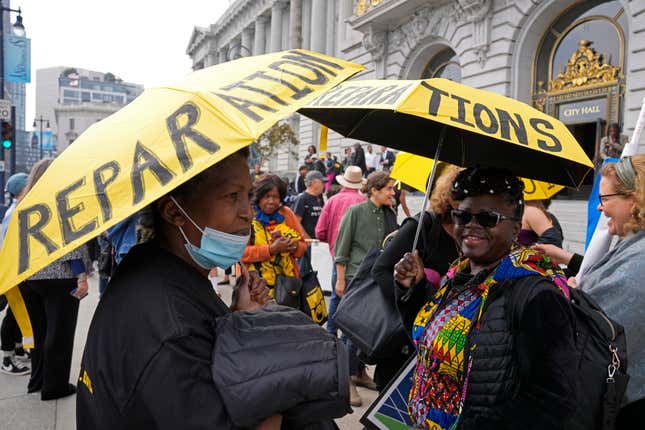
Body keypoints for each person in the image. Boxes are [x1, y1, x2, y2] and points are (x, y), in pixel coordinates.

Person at [77, 148, 293, 429]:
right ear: (174, 212)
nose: (247, 214)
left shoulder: (150, 264)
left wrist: (237, 316)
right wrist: (262, 352)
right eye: (232, 196)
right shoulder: (170, 329)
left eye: (248, 196)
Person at [394, 167, 577, 429]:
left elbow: (552, 402)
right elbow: (429, 343)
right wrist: (411, 289)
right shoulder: (460, 274)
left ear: (516, 227)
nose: (472, 226)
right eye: (463, 216)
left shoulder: (537, 296)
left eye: (488, 218)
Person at [534, 155, 645, 426]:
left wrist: (573, 294)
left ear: (633, 199)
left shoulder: (640, 258)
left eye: (605, 199)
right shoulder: (633, 241)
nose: (599, 207)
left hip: (628, 404)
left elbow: (598, 322)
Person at [371, 166, 462, 391]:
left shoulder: (473, 233)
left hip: (444, 350)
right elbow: (381, 270)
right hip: (403, 344)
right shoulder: (423, 226)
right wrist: (407, 299)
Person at [19, 159, 92, 400]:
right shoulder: (60, 201)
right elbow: (70, 243)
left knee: (39, 332)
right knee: (59, 332)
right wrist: (81, 275)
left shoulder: (24, 204)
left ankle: (37, 380)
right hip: (60, 275)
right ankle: (55, 386)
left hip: (30, 277)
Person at [334, 171, 398, 406]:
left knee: (369, 330)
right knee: (353, 331)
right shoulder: (355, 212)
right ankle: (347, 380)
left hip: (378, 279)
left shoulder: (389, 213)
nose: (393, 192)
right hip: (354, 277)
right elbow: (342, 248)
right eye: (389, 188)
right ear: (374, 190)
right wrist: (340, 280)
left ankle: (359, 374)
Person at [315, 166, 366, 338]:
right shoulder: (363, 203)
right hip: (358, 259)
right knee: (353, 298)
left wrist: (331, 241)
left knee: (336, 296)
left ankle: (330, 333)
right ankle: (347, 336)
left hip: (336, 255)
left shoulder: (332, 200)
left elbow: (320, 232)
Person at [242, 174, 307, 293]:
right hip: (255, 288)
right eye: (267, 196)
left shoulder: (286, 214)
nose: (271, 201)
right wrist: (270, 249)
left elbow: (302, 248)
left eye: (275, 197)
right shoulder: (248, 216)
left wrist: (293, 245)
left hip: (286, 287)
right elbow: (241, 253)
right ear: (258, 197)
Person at [0, 172, 31, 376]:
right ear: (22, 189)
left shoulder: (17, 209)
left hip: (17, 268)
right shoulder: (14, 212)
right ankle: (7, 357)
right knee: (13, 313)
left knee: (20, 311)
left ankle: (19, 348)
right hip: (13, 269)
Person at [292, 170, 326, 275]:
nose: (324, 185)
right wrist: (307, 239)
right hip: (308, 244)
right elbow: (296, 222)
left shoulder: (319, 199)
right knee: (304, 273)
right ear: (314, 182)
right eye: (322, 182)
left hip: (318, 245)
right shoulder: (302, 199)